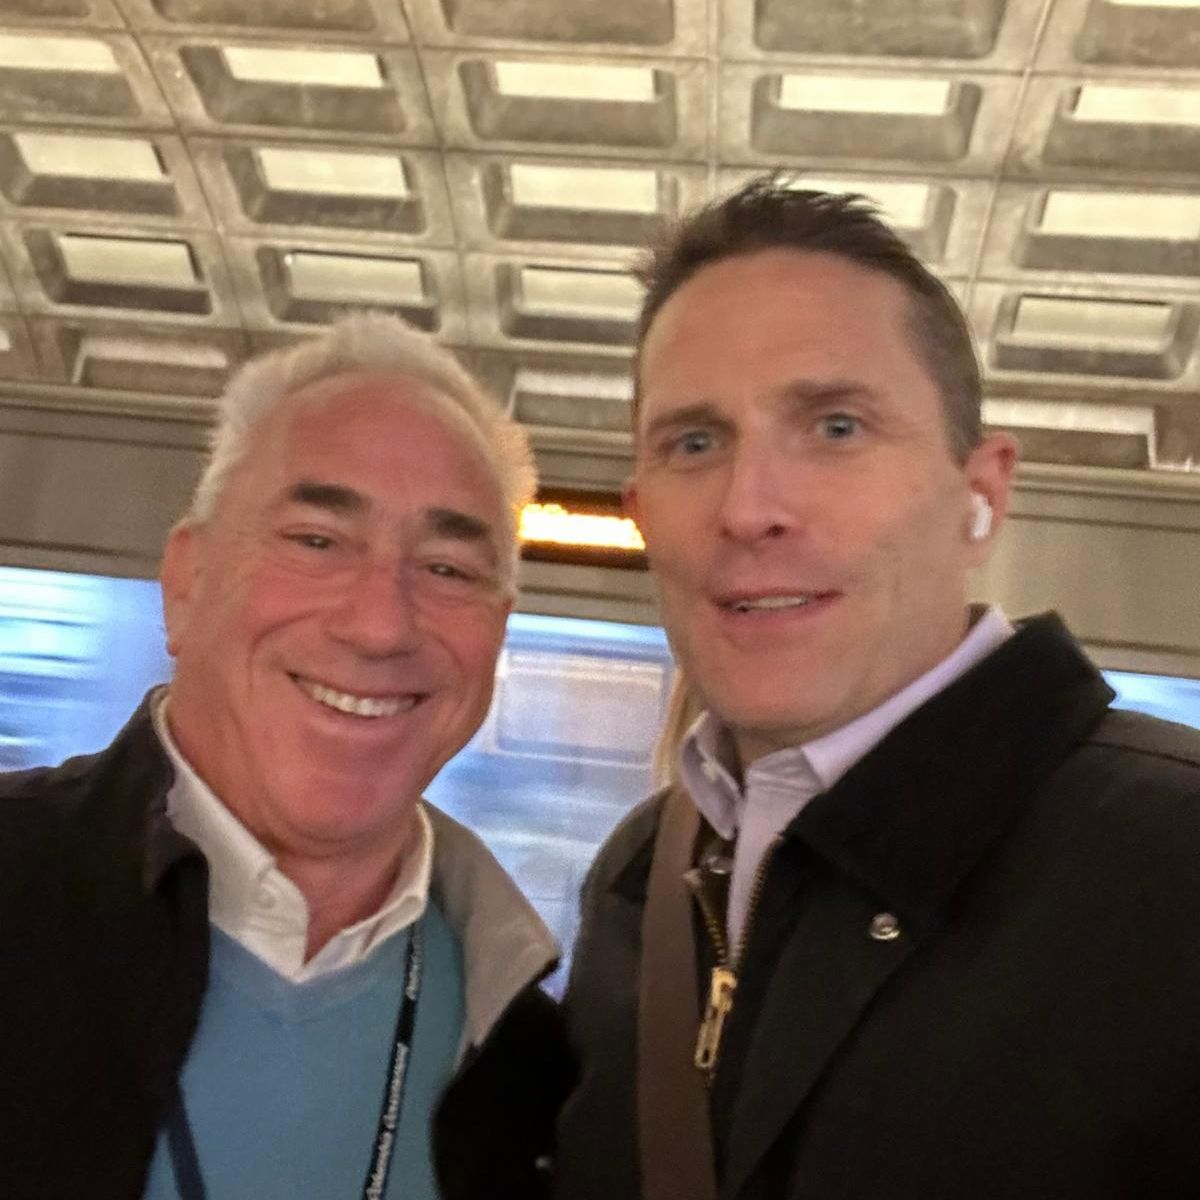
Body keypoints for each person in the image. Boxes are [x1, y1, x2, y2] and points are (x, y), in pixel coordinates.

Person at [554, 177, 1200, 1200]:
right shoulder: (641, 875)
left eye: (837, 428)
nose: (748, 508)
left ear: (979, 493)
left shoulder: (1171, 861)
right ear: (642, 513)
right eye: (695, 443)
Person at [0, 313, 575, 1200]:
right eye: (316, 541)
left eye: (449, 569)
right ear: (186, 583)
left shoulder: (527, 1061)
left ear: (497, 634)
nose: (381, 624)